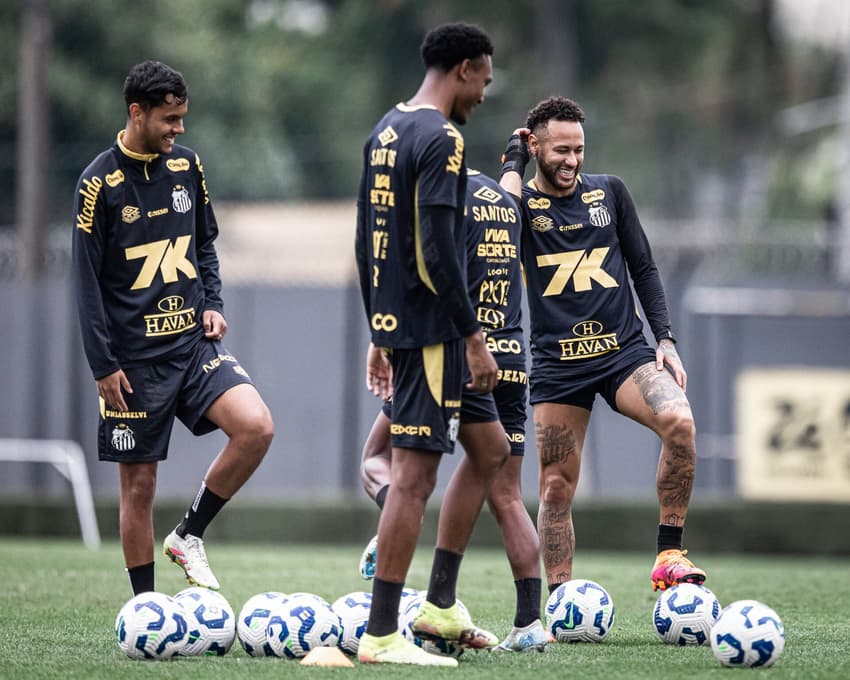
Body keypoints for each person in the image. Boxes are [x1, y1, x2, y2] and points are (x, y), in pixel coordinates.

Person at [72, 60, 274, 596]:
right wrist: (103, 365)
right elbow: (86, 285)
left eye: (183, 118)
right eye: (170, 119)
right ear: (137, 112)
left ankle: (188, 533)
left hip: (192, 344)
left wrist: (213, 303)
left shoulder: (187, 166)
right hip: (133, 363)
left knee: (256, 427)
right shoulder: (98, 184)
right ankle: (146, 608)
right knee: (139, 487)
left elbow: (203, 243)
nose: (179, 129)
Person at [498, 96, 706, 594]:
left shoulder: (610, 192)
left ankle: (669, 554)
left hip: (623, 354)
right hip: (558, 366)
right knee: (555, 486)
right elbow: (500, 219)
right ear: (536, 147)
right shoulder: (521, 205)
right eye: (560, 150)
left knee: (680, 423)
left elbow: (644, 267)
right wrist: (512, 163)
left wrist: (665, 338)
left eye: (579, 150)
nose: (571, 160)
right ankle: (561, 597)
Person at [354, 23, 504, 667]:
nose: (484, 95)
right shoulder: (443, 138)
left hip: (402, 326)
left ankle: (440, 604)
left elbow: (366, 240)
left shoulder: (385, 130)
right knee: (413, 481)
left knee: (491, 449)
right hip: (434, 333)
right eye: (484, 81)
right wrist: (472, 336)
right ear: (464, 68)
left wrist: (377, 329)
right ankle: (382, 634)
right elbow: (437, 250)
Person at [357, 169, 547, 653]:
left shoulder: (440, 199)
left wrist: (386, 337)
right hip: (510, 361)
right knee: (505, 488)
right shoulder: (504, 202)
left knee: (378, 459)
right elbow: (512, 186)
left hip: (452, 352)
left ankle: (395, 537)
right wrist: (516, 158)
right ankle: (529, 623)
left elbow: (427, 273)